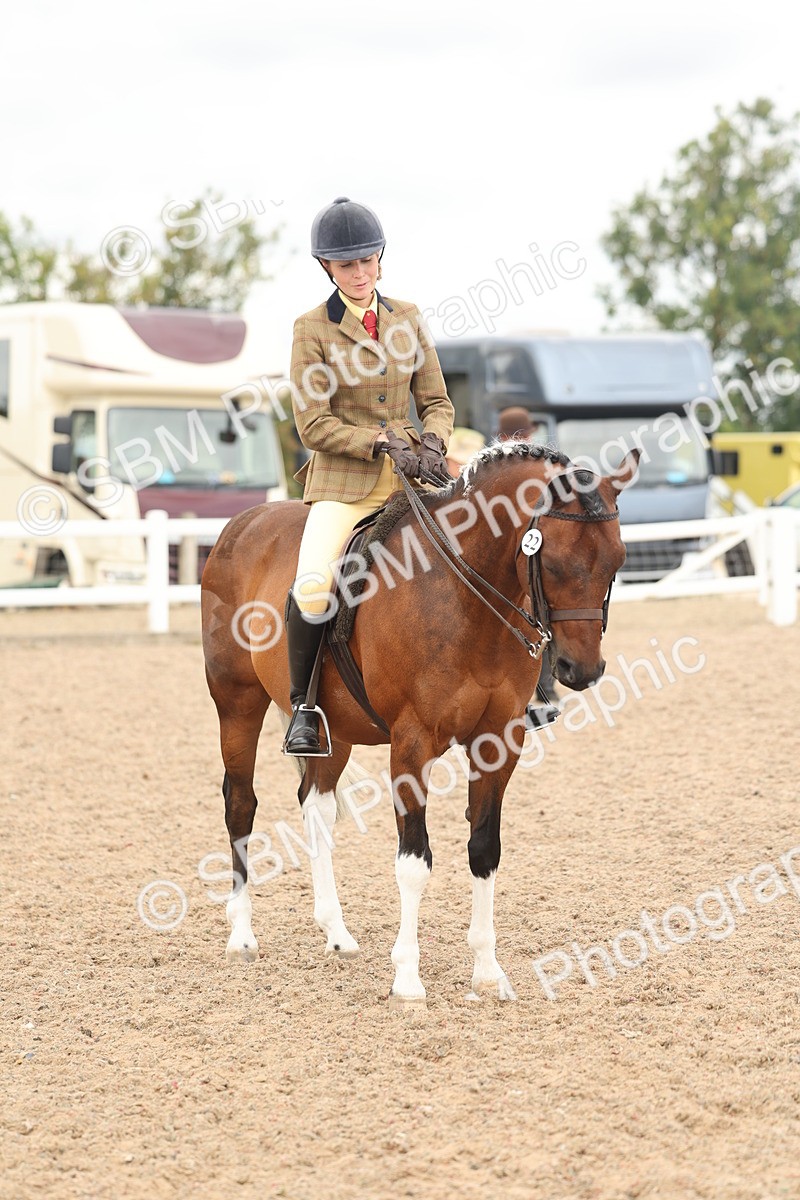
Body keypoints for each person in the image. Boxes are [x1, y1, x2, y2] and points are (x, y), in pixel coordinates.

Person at [284, 197, 455, 756]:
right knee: (314, 584)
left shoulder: (408, 317)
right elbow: (313, 423)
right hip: (344, 485)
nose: (359, 273)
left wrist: (434, 440)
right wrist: (378, 441)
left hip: (412, 477)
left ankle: (529, 682)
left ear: (380, 258)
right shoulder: (311, 329)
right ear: (327, 268)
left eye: (366, 260)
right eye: (346, 264)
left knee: (488, 543)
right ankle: (305, 708)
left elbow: (437, 402)